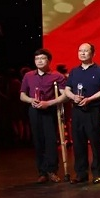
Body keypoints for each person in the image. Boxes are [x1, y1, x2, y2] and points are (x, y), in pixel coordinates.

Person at [19, 48, 67, 183]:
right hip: (34, 110)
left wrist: (49, 103)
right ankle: (42, 172)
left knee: (51, 141)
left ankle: (52, 170)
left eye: (42, 58)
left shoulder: (57, 76)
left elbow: (65, 95)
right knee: (38, 141)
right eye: (37, 59)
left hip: (49, 110)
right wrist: (31, 100)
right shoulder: (28, 76)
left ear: (49, 60)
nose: (39, 61)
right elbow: (22, 95)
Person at [64, 43, 100, 185]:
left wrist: (89, 99)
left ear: (93, 53)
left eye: (86, 51)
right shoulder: (74, 71)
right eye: (80, 51)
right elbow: (67, 89)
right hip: (77, 111)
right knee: (78, 143)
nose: (82, 53)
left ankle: (97, 173)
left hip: (92, 110)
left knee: (95, 142)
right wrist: (73, 97)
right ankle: (81, 173)